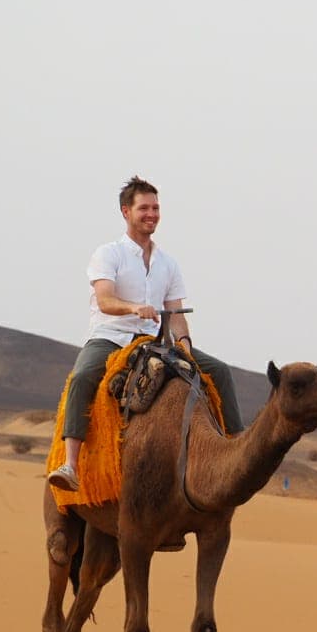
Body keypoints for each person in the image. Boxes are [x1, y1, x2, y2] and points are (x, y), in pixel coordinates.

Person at [46, 176, 244, 492]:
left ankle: (236, 450)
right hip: (111, 337)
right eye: (144, 208)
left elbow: (176, 313)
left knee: (218, 371)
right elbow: (105, 300)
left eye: (155, 207)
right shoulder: (109, 254)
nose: (151, 214)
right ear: (126, 211)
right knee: (82, 376)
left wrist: (185, 345)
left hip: (155, 342)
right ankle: (70, 464)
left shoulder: (168, 263)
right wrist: (134, 308)